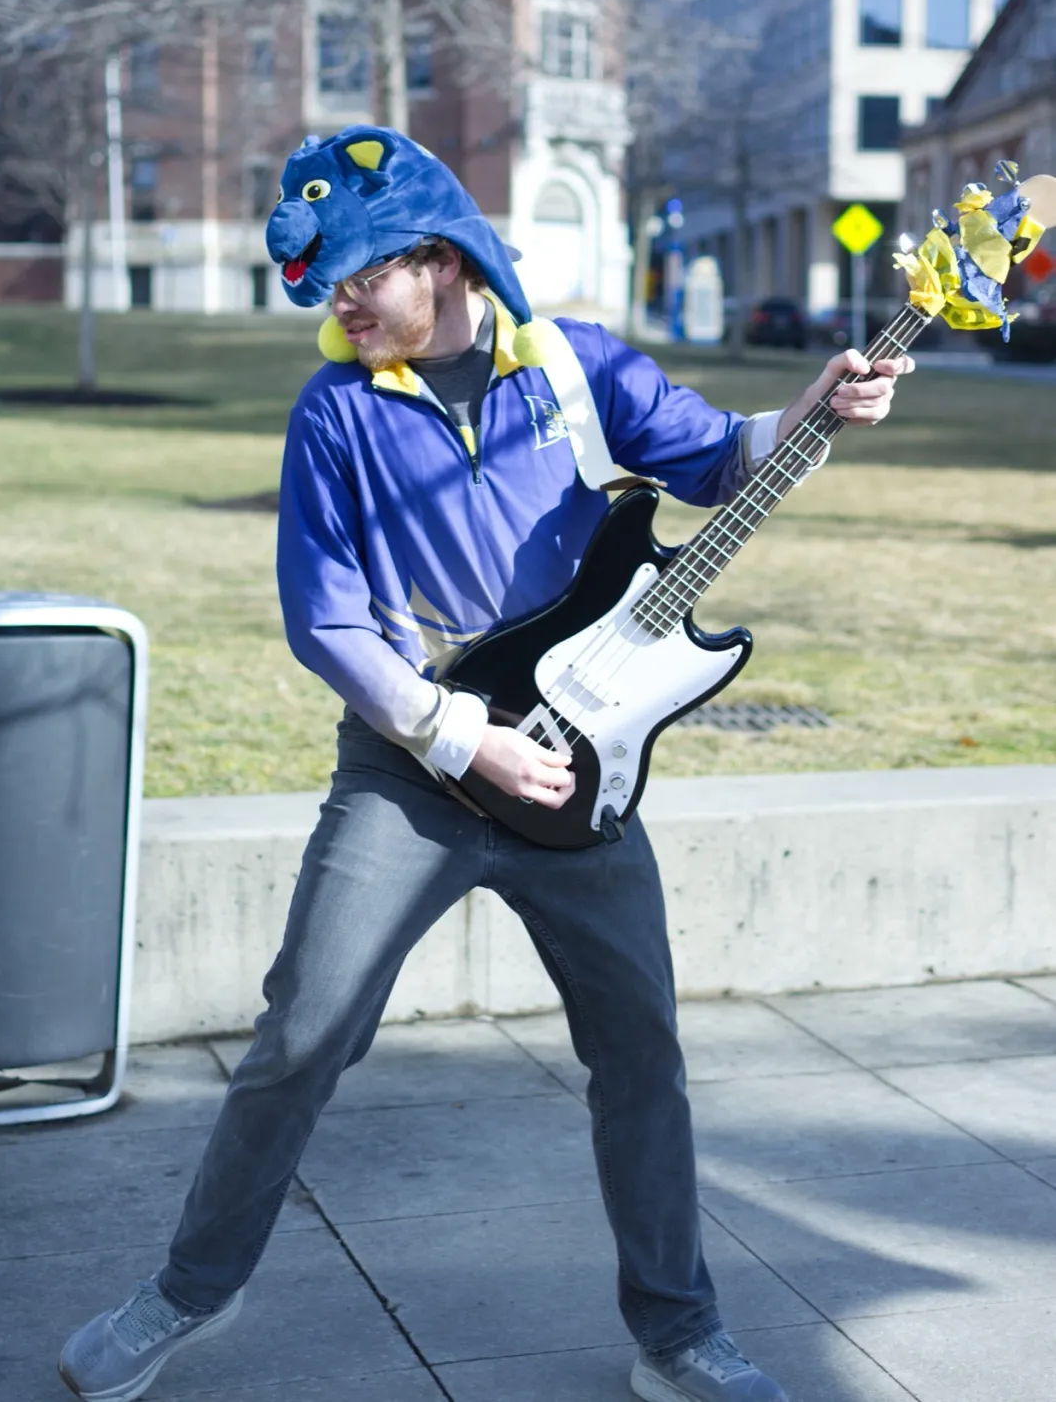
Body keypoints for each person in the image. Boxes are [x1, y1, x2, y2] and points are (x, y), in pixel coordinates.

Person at [59, 128, 912, 1402]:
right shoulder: (335, 411)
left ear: (442, 257)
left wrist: (818, 407)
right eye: (330, 284)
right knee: (301, 1035)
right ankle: (189, 1290)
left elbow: (723, 456)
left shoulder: (576, 363)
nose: (341, 303)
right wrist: (467, 740)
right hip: (414, 769)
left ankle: (678, 1334)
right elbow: (327, 620)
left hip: (582, 778)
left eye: (362, 275)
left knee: (642, 1056)